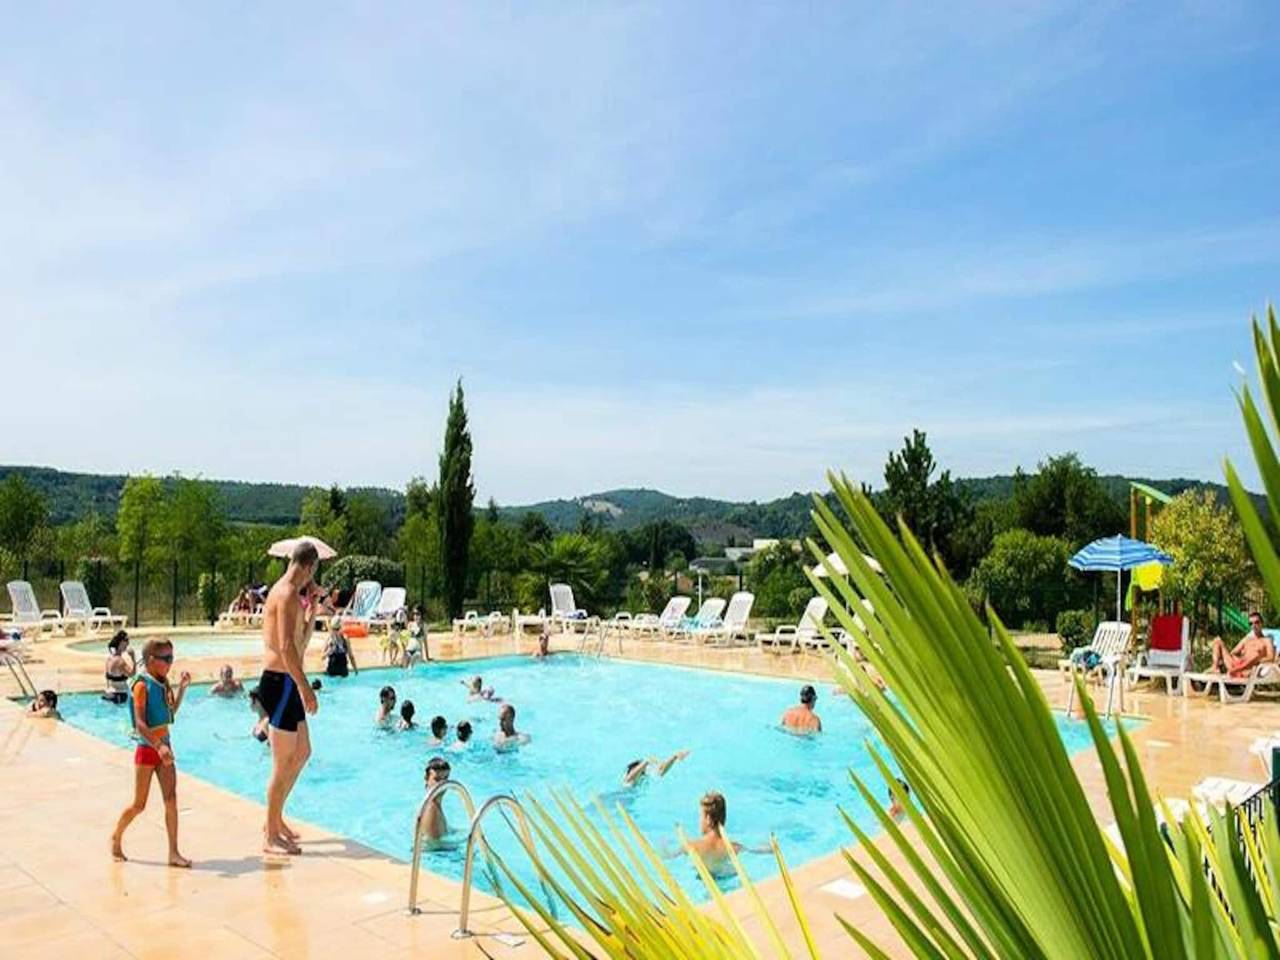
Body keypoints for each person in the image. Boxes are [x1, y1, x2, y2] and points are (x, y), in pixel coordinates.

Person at [258, 540, 330, 856]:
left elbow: (299, 642)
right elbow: (287, 649)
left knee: (302, 752)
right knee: (282, 762)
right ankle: (270, 834)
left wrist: (312, 610)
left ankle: (275, 820)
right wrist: (305, 688)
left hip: (287, 681)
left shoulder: (291, 595)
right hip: (281, 682)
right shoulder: (286, 594)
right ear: (309, 567)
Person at [110, 638, 192, 867]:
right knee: (139, 804)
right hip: (148, 749)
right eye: (166, 658)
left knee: (171, 799)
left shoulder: (163, 683)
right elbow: (140, 724)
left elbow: (170, 712)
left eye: (172, 657)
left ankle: (173, 852)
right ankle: (117, 836)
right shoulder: (141, 686)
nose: (170, 663)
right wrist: (158, 746)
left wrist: (182, 689)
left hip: (164, 746)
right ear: (151, 660)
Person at [674, 792, 768, 875]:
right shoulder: (733, 847)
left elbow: (670, 856)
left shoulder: (693, 846)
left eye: (700, 816)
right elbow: (754, 851)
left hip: (705, 879)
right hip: (725, 875)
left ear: (708, 819)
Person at [1209, 612, 1277, 678]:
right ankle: (1215, 667)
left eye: (1256, 622)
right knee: (1217, 641)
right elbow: (1233, 653)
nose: (1253, 625)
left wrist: (1257, 661)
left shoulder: (1267, 640)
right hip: (1236, 664)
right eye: (1251, 624)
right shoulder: (1247, 640)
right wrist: (1239, 659)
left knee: (1256, 655)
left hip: (1249, 669)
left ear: (1262, 623)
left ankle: (1236, 670)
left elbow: (1271, 658)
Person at [420, 757, 452, 842]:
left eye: (445, 778)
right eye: (437, 779)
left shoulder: (434, 804)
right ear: (426, 779)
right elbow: (435, 844)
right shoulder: (431, 809)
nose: (442, 784)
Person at [623, 749, 690, 787]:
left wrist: (674, 757)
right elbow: (629, 778)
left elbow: (661, 771)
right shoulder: (628, 782)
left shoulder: (643, 777)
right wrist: (646, 762)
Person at [103, 631, 136, 704]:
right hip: (120, 696)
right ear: (120, 642)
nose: (128, 643)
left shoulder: (109, 659)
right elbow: (133, 674)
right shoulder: (120, 661)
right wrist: (133, 658)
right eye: (126, 640)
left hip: (108, 694)